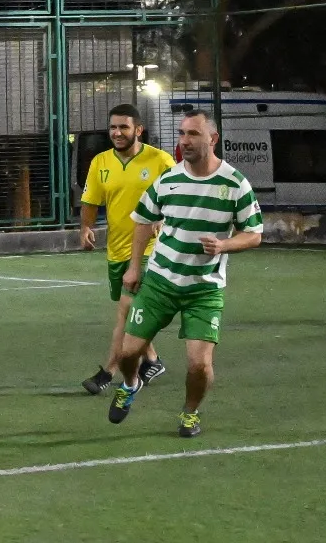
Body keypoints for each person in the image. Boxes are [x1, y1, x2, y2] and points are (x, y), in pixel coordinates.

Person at [107, 109, 264, 438]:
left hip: (204, 291)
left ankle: (190, 413)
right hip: (160, 282)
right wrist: (135, 266)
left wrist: (223, 246)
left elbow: (254, 233)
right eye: (181, 134)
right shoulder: (169, 179)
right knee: (127, 353)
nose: (184, 141)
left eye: (193, 134)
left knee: (199, 365)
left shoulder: (235, 184)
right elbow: (143, 220)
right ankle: (131, 383)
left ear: (213, 139)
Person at [76, 103, 174, 395]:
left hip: (150, 252)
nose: (117, 133)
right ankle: (153, 360)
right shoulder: (101, 162)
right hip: (117, 251)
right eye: (113, 127)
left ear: (138, 130)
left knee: (126, 312)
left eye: (124, 127)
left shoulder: (161, 161)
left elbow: (179, 196)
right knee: (133, 313)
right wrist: (85, 227)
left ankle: (107, 372)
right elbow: (90, 200)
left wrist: (164, 217)